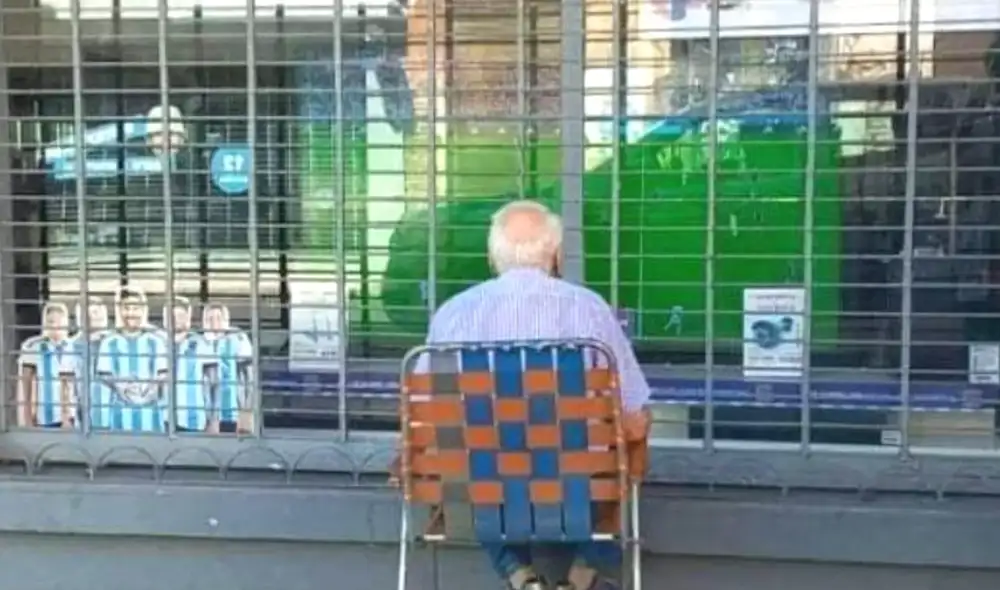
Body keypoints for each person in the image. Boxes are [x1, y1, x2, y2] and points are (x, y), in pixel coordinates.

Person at [420, 200, 651, 590]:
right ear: (557, 255)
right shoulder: (590, 310)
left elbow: (427, 417)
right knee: (630, 447)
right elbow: (635, 415)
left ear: (493, 259)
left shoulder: (452, 315)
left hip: (484, 487)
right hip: (579, 487)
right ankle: (580, 577)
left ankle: (519, 575)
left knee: (467, 462)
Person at [93, 287, 169, 432]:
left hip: (150, 414)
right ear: (120, 311)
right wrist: (122, 388)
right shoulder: (109, 342)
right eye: (127, 308)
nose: (131, 313)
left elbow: (163, 373)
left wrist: (151, 391)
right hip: (120, 414)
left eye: (136, 308)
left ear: (143, 311)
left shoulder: (155, 341)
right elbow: (104, 374)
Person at [17, 302, 75, 428]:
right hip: (45, 418)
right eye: (51, 321)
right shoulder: (33, 346)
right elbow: (26, 386)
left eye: (60, 321)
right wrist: (27, 419)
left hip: (74, 417)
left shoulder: (75, 346)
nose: (56, 326)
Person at [163, 296, 216, 433]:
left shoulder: (201, 343)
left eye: (181, 315)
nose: (176, 319)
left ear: (188, 318)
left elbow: (214, 381)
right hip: (162, 419)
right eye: (172, 315)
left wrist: (214, 418)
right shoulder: (157, 343)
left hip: (194, 420)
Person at [202, 303, 254, 434]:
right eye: (210, 319)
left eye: (218, 318)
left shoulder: (239, 339)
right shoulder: (198, 342)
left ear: (227, 320)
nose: (214, 323)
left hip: (235, 407)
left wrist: (246, 411)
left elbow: (249, 377)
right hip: (208, 412)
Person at [70, 296, 111, 429]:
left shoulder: (115, 342)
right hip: (83, 415)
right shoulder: (71, 346)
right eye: (89, 313)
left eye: (97, 312)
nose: (93, 317)